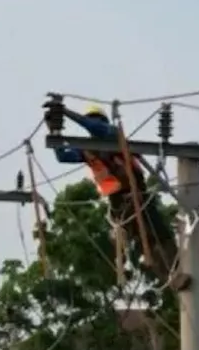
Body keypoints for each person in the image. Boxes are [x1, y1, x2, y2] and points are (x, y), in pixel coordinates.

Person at [51, 104, 189, 289]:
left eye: (95, 120)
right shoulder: (88, 150)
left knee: (159, 235)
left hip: (138, 196)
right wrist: (55, 129)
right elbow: (63, 156)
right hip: (120, 204)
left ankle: (176, 271)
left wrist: (66, 112)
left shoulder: (113, 135)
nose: (92, 124)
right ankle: (169, 277)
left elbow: (94, 127)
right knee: (146, 241)